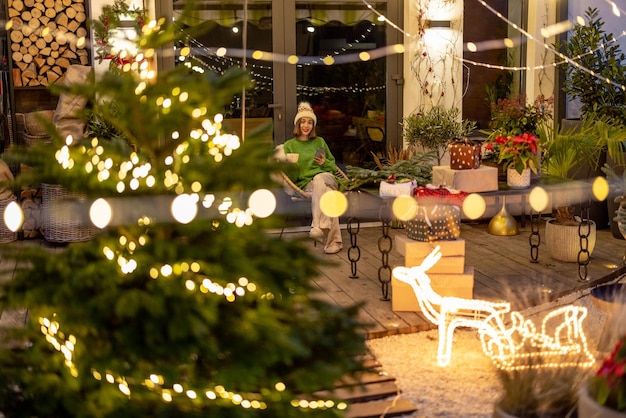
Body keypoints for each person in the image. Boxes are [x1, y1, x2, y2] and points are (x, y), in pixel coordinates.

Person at [282, 102, 343, 254]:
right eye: (303, 121)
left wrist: (325, 162)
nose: (306, 125)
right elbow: (293, 178)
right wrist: (290, 166)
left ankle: (317, 225)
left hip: (327, 177)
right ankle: (334, 242)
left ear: (313, 125)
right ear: (298, 124)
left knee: (320, 179)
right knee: (329, 195)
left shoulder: (319, 142)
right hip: (307, 185)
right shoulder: (289, 146)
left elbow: (333, 166)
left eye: (310, 122)